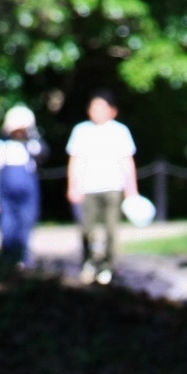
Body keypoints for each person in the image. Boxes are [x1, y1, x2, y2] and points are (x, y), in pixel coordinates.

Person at [65, 89, 138, 285]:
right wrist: (73, 186)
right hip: (88, 188)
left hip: (113, 187)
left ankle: (108, 267)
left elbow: (127, 162)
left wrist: (132, 190)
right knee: (86, 229)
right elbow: (75, 161)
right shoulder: (81, 131)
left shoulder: (120, 131)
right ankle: (89, 262)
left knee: (111, 230)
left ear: (111, 110)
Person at [0, 106, 45, 267]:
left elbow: (44, 153)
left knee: (27, 220)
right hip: (7, 193)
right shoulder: (0, 146)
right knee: (8, 224)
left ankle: (23, 257)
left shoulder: (31, 145)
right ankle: (8, 257)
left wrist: (32, 135)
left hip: (28, 190)